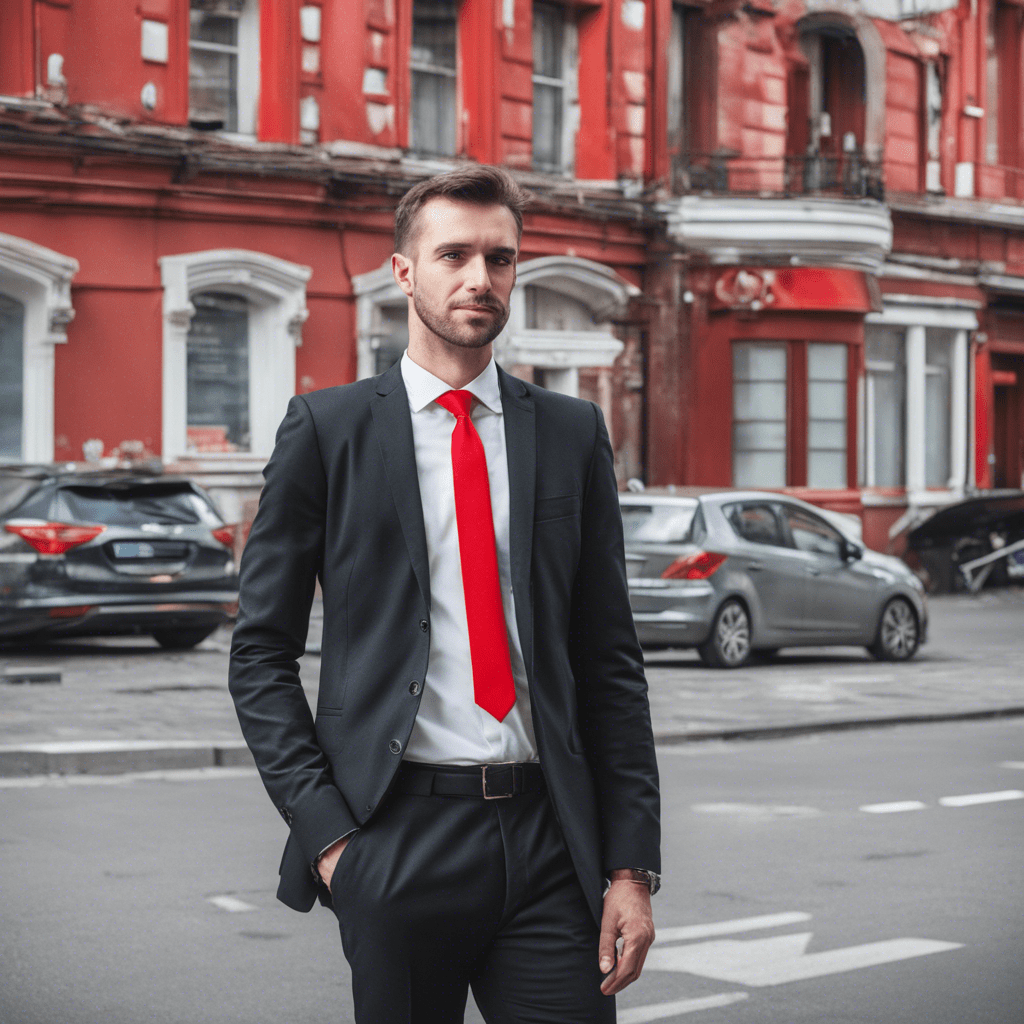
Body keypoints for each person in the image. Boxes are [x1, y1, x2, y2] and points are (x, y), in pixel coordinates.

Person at [228, 164, 661, 1023]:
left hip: (549, 838)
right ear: (403, 271)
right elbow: (260, 655)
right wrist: (334, 846)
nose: (479, 279)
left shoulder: (571, 434)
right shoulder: (328, 430)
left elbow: (608, 660)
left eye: (500, 259)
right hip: (397, 837)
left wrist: (629, 868)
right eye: (454, 254)